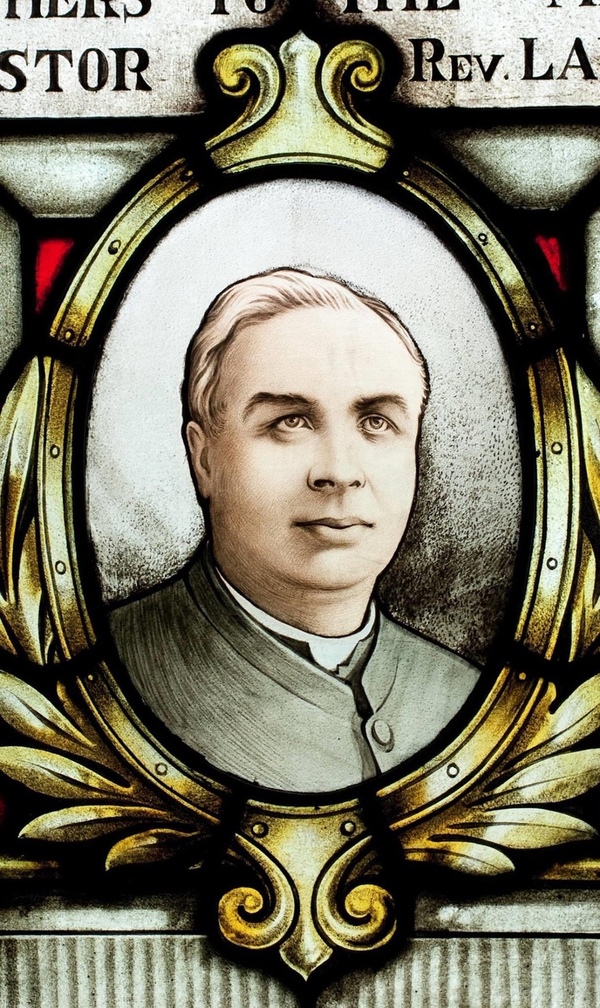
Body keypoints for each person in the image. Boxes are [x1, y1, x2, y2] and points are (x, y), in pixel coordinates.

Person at [109, 268, 480, 792]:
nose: (339, 472)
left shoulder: (464, 694)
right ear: (204, 458)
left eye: (376, 422)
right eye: (290, 421)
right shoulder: (103, 678)